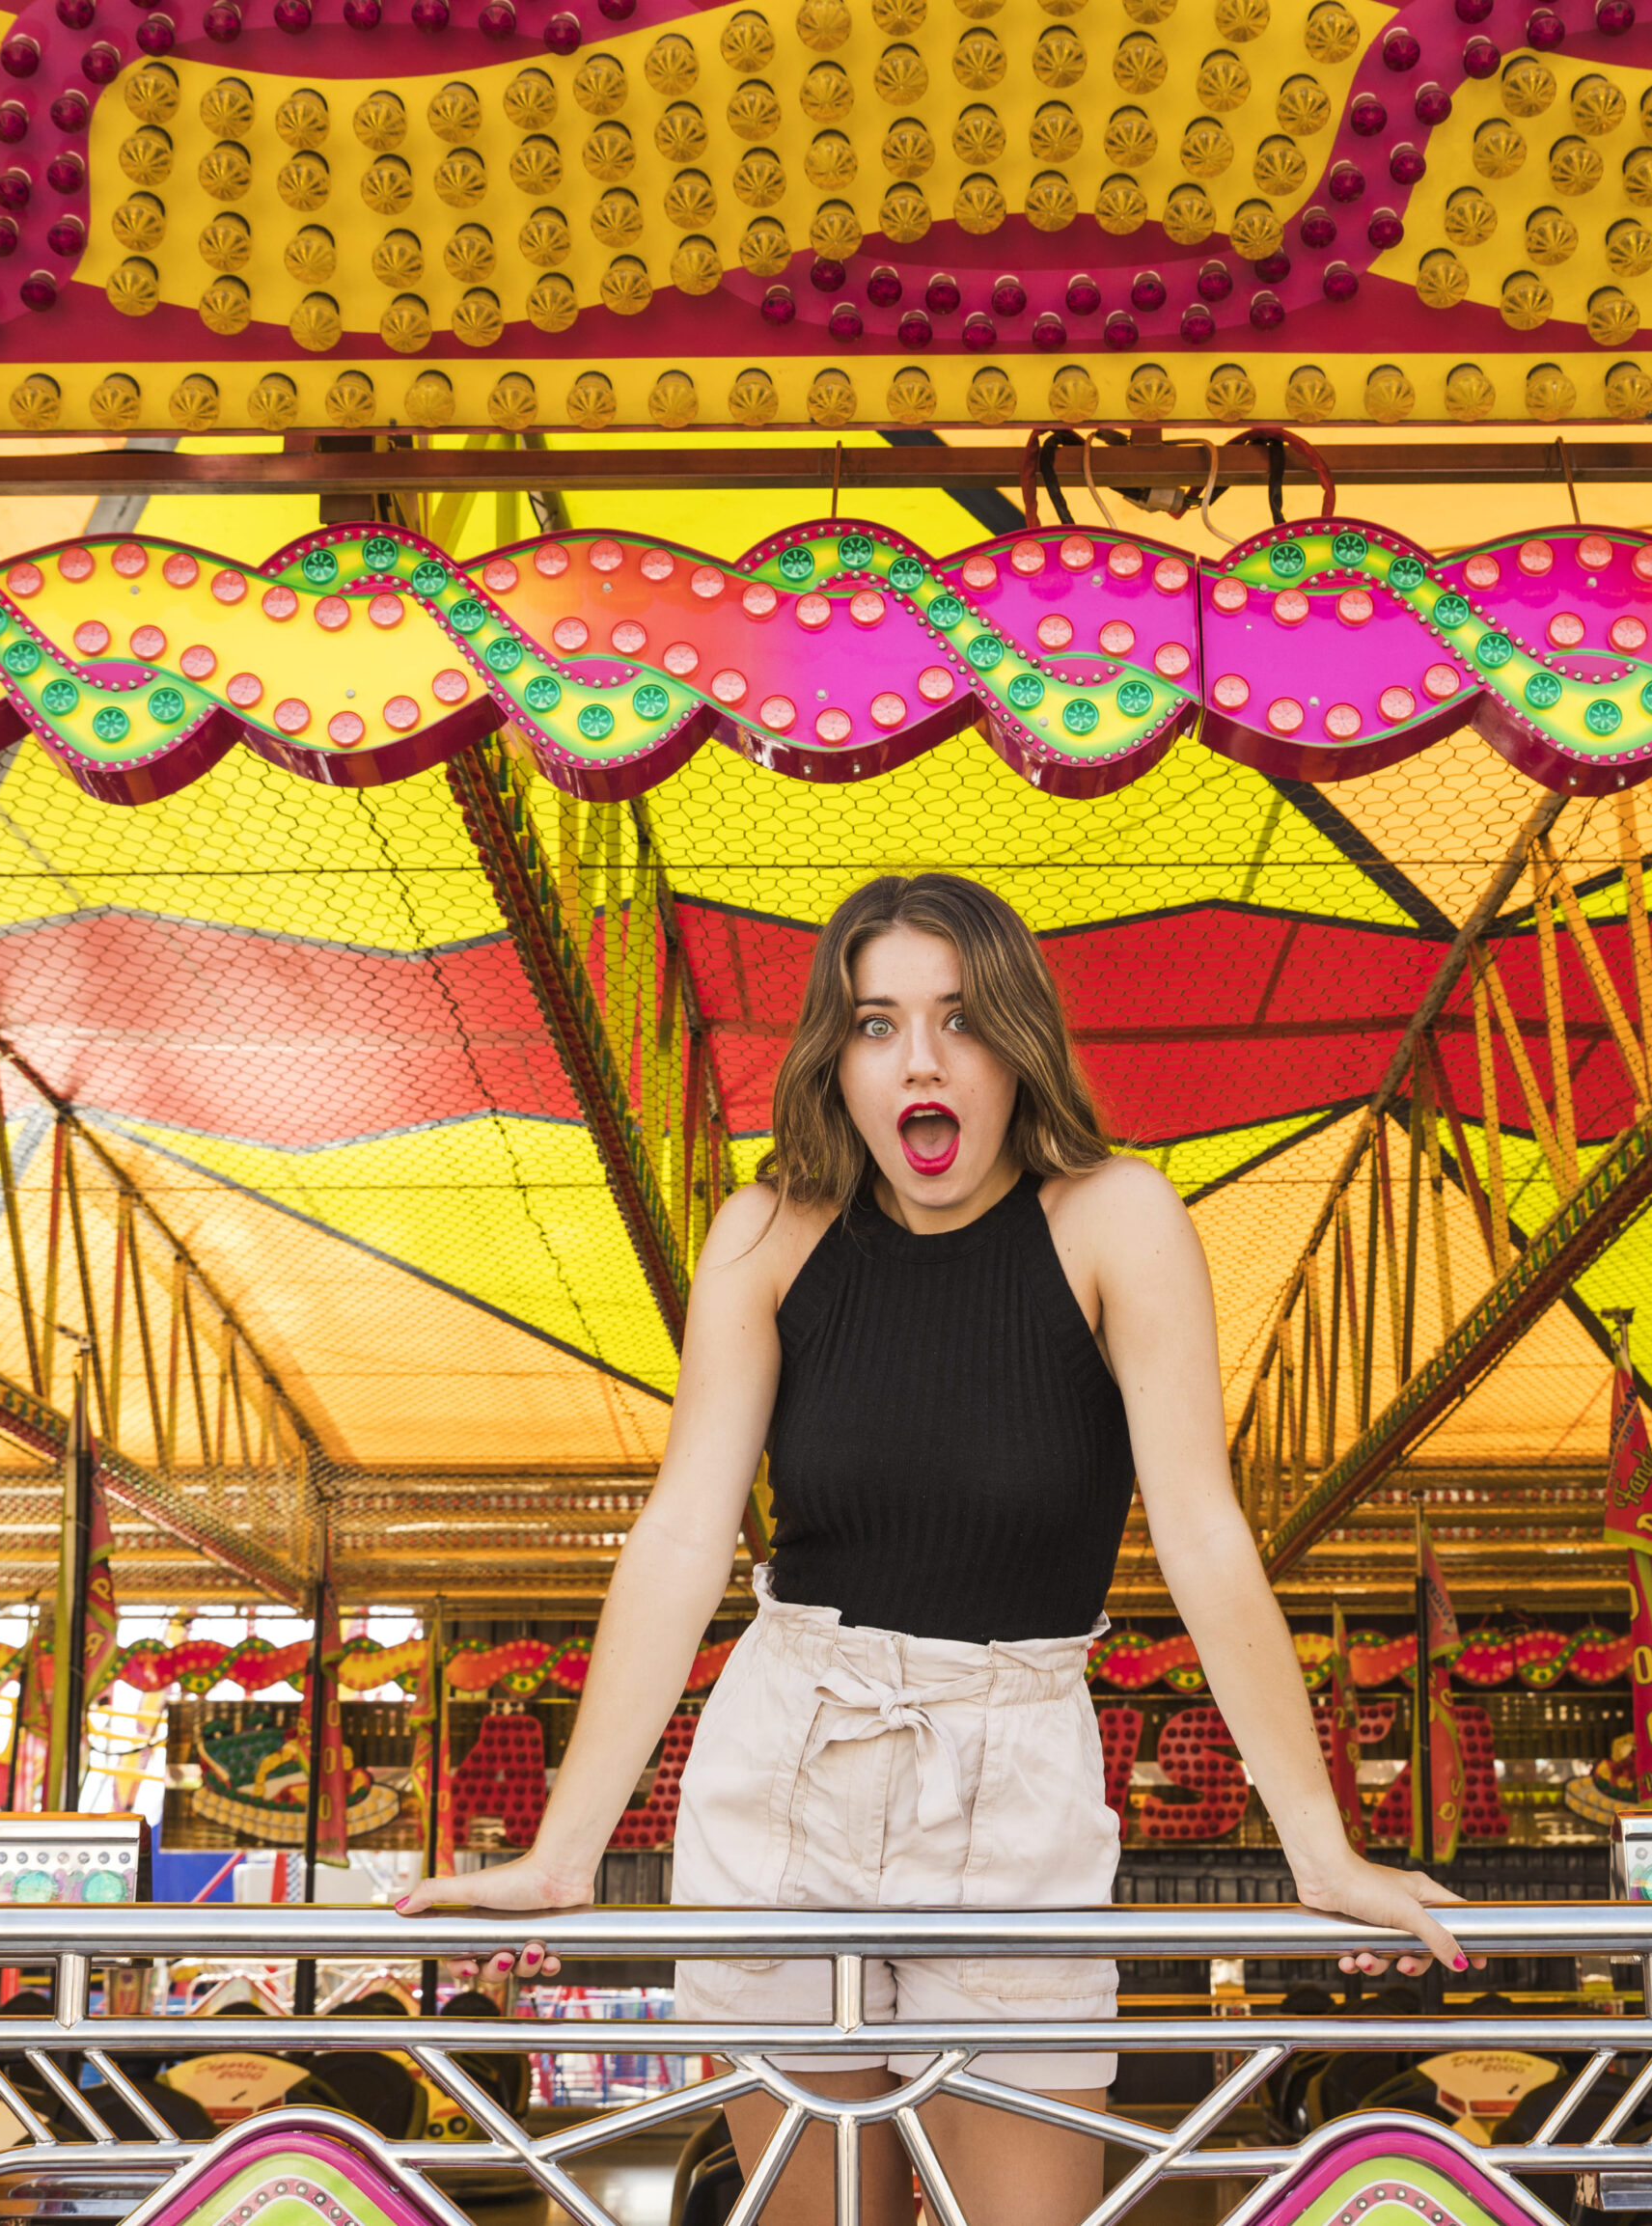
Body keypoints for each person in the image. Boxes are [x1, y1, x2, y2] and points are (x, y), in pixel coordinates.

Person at [399, 873, 1467, 2226]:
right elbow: (681, 1533)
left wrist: (1320, 1850)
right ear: (832, 1061)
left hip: (1014, 1772)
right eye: (874, 1023)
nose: (919, 1059)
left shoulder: (1115, 1219)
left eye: (959, 1020)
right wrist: (565, 1854)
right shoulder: (769, 1235)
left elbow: (1200, 1528)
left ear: (1017, 1043)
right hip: (791, 1762)